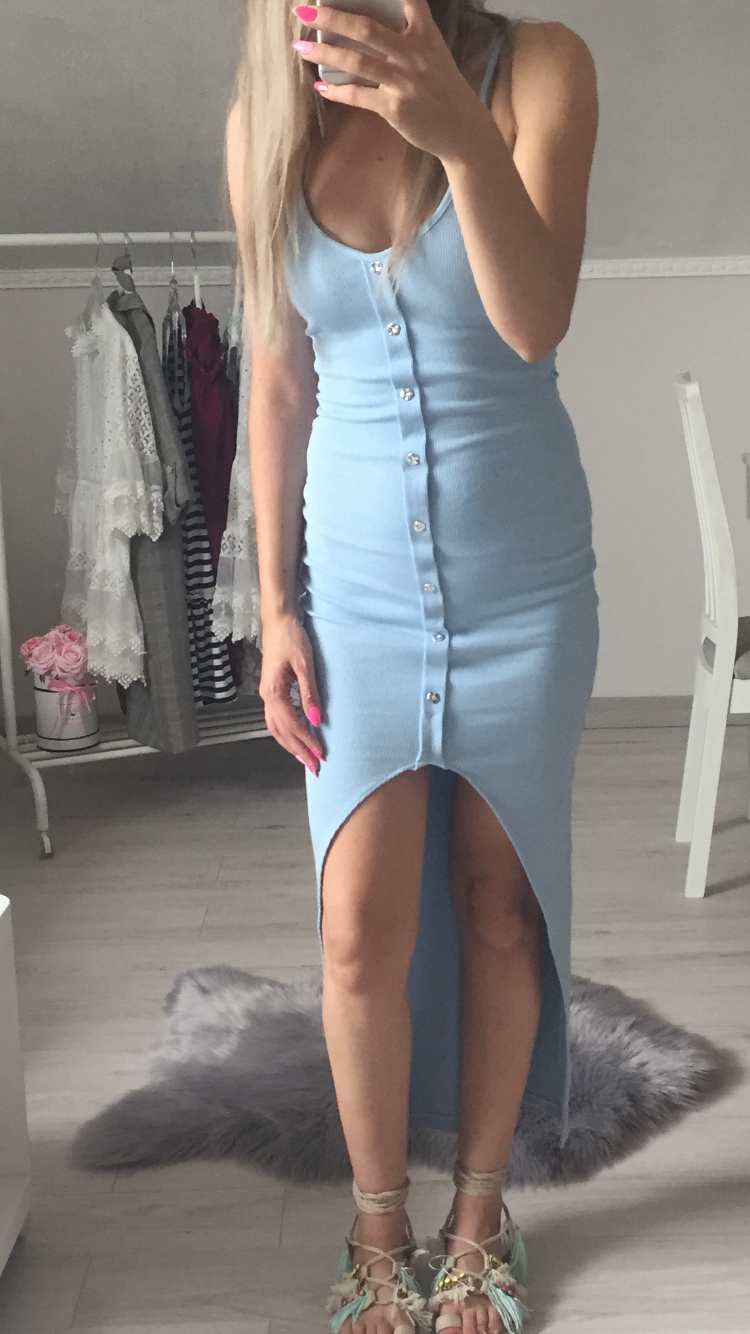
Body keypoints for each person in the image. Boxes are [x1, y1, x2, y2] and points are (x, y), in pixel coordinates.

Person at [226, 2, 599, 1330]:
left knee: (500, 910)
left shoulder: (537, 69)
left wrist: (460, 137)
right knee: (353, 934)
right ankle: (375, 1224)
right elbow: (279, 378)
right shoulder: (264, 121)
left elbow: (534, 322)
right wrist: (276, 605)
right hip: (354, 603)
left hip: (523, 591)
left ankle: (479, 1219)